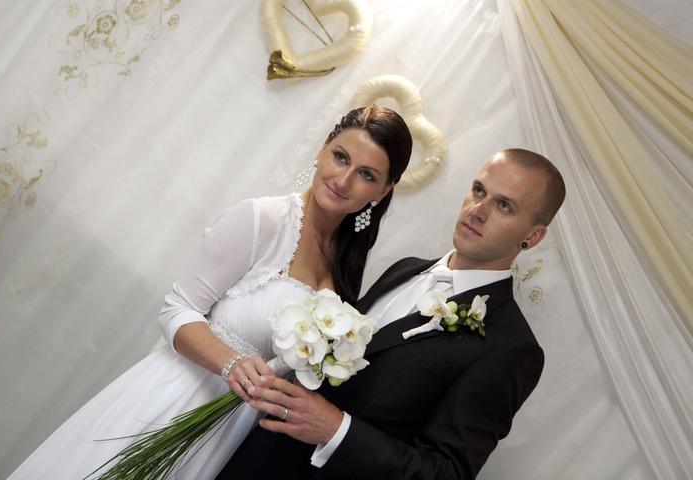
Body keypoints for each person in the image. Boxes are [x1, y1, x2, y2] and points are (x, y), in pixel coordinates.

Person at [6, 106, 412, 479]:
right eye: (340, 157)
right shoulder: (263, 219)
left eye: (366, 175)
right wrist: (230, 364)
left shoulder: (346, 267)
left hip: (225, 432)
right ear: (323, 149)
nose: (343, 180)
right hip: (171, 400)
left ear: (381, 192)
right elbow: (176, 309)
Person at [216, 148, 566, 479]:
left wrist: (336, 431)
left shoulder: (511, 347)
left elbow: (446, 472)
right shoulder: (405, 268)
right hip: (251, 459)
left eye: (504, 205)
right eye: (479, 190)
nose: (478, 210)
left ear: (533, 236)